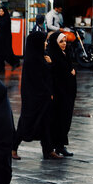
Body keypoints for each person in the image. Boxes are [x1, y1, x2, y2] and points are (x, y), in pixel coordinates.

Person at [14, 32, 62, 160]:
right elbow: (38, 79)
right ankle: (13, 147)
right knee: (26, 122)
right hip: (33, 97)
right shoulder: (32, 60)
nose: (46, 44)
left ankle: (48, 150)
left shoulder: (40, 57)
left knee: (45, 122)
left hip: (42, 97)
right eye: (44, 41)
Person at [47, 32, 76, 157]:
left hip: (68, 93)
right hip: (59, 94)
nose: (64, 44)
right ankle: (54, 145)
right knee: (58, 120)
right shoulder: (53, 56)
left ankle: (61, 145)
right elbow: (54, 75)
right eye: (61, 41)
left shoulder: (65, 54)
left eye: (65, 41)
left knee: (66, 120)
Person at [0, 7, 19, 73]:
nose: (0, 13)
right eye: (0, 11)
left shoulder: (6, 19)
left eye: (2, 11)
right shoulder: (0, 18)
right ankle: (1, 69)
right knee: (0, 54)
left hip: (5, 39)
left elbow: (4, 29)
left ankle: (15, 62)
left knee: (7, 53)